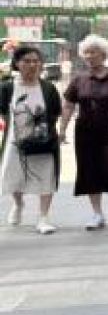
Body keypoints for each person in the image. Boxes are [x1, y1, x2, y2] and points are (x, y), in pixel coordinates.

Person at [59, 35, 108, 230]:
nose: (89, 56)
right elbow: (68, 105)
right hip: (86, 131)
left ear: (103, 55)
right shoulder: (79, 80)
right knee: (89, 170)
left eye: (93, 52)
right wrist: (62, 128)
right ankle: (97, 213)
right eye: (86, 53)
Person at [1, 45, 63, 234]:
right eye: (27, 61)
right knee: (13, 175)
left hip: (45, 142)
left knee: (46, 177)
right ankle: (18, 203)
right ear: (17, 64)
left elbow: (56, 112)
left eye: (36, 61)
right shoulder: (7, 87)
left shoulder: (48, 88)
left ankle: (43, 218)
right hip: (15, 142)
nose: (32, 65)